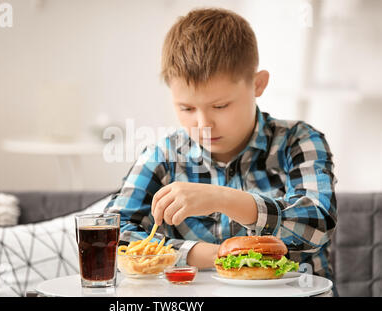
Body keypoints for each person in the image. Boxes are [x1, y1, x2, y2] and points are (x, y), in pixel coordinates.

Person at [105, 7, 337, 281]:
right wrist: (217, 255)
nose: (203, 123)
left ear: (258, 84)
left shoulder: (299, 141)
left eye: (220, 105)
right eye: (187, 108)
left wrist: (221, 199)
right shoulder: (163, 156)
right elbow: (114, 234)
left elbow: (317, 225)